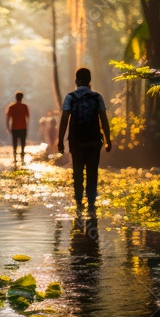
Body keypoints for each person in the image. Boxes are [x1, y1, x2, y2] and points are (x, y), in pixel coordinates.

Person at [57, 68, 112, 211]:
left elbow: (64, 120)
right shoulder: (97, 97)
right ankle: (92, 204)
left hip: (76, 141)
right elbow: (104, 120)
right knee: (92, 171)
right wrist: (108, 139)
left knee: (77, 170)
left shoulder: (70, 97)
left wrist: (60, 140)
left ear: (76, 81)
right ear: (89, 81)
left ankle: (79, 203)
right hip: (94, 141)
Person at [6, 92, 30, 164]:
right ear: (22, 98)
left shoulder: (11, 107)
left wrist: (7, 127)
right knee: (23, 143)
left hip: (14, 128)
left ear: (15, 97)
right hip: (23, 127)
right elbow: (28, 117)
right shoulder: (25, 106)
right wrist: (27, 127)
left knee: (15, 143)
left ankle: (15, 158)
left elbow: (8, 118)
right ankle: (22, 158)